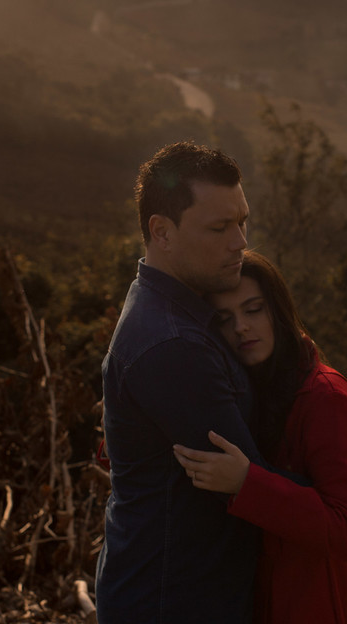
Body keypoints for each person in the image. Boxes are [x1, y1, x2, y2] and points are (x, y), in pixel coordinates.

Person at [95, 141, 265, 624]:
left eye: (242, 222)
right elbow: (254, 489)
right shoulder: (173, 346)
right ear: (161, 232)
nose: (239, 242)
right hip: (172, 602)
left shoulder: (189, 310)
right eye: (219, 227)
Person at [173, 250, 347, 624]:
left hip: (320, 606)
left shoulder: (325, 396)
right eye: (225, 318)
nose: (241, 327)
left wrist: (245, 483)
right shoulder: (244, 392)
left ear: (278, 310)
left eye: (253, 310)